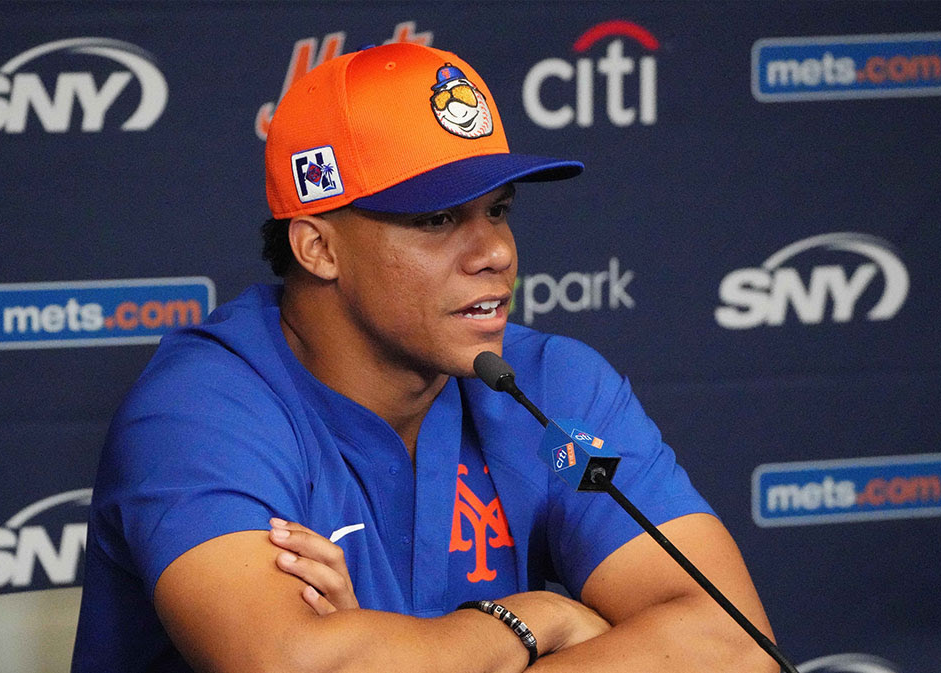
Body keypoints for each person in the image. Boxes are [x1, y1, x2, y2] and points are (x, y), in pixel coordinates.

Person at [72, 42, 778, 673]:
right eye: (438, 219)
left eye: (498, 210)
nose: (496, 253)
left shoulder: (552, 383)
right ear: (318, 246)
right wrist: (537, 619)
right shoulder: (202, 409)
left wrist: (395, 652)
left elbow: (735, 646)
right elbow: (292, 665)